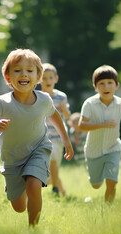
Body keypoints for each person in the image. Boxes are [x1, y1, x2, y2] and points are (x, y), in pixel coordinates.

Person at [0, 49, 74, 226]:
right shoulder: (2, 102)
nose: (24, 74)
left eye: (30, 70)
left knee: (34, 184)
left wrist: (66, 140)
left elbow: (56, 117)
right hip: (12, 158)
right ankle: (24, 188)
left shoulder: (44, 100)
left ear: (38, 77)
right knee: (19, 206)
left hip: (39, 148)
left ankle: (33, 230)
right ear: (8, 77)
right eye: (18, 70)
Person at [78, 65, 121, 203]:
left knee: (112, 181)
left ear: (117, 85)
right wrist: (102, 124)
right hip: (94, 151)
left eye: (110, 83)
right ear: (95, 87)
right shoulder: (89, 104)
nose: (106, 87)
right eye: (101, 84)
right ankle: (95, 178)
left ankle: (108, 210)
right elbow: (82, 125)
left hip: (113, 148)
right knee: (96, 185)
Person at [40, 63, 71, 196]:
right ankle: (58, 190)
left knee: (54, 164)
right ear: (39, 80)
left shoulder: (61, 97)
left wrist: (64, 109)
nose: (47, 81)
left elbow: (68, 116)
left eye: (50, 78)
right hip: (42, 136)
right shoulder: (37, 96)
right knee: (49, 167)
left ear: (56, 79)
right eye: (44, 78)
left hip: (58, 136)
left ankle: (58, 190)